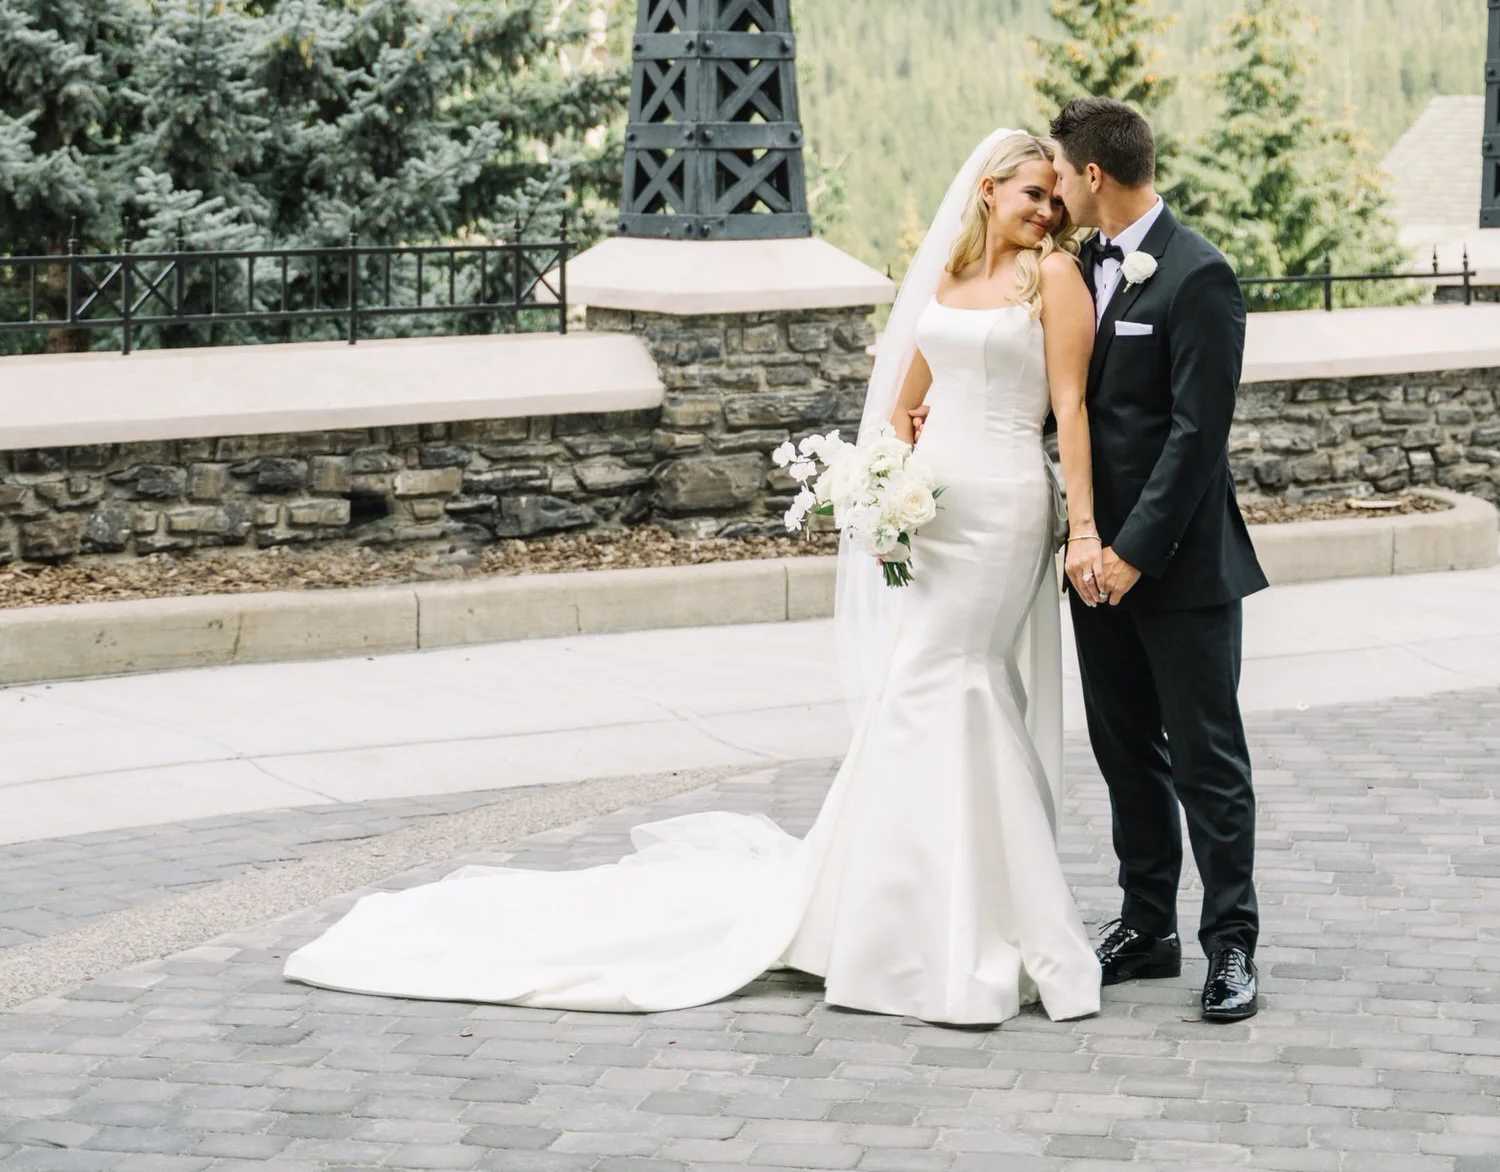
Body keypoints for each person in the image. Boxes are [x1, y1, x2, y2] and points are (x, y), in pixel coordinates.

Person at [283, 129, 1105, 1027]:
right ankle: (900, 917)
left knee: (956, 680)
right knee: (927, 686)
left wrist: (1085, 528)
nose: (1045, 211)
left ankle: (961, 924)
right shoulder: (946, 282)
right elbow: (906, 402)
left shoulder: (1053, 279)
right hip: (936, 511)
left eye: (1053, 199)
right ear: (987, 190)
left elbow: (1068, 408)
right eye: (1032, 193)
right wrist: (886, 492)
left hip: (1005, 507)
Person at [1049, 93, 1268, 1026]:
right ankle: (1148, 927)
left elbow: (1195, 437)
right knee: (1123, 753)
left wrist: (1131, 552)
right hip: (1093, 566)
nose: (1053, 188)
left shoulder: (1198, 275)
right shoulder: (1071, 269)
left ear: (1093, 175)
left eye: (1060, 172)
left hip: (1179, 569)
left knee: (1207, 761)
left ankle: (1231, 948)